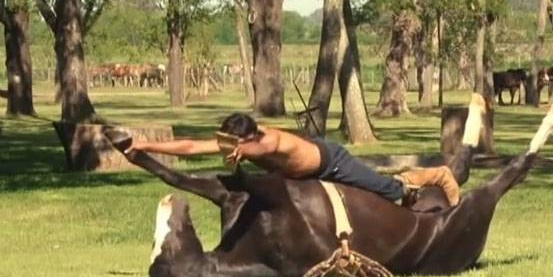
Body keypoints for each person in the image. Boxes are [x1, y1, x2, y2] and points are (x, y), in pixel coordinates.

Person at [125, 96, 488, 206]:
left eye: (237, 144)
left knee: (387, 190)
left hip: (331, 161)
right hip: (297, 173)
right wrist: (146, 144)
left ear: (249, 137)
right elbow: (191, 145)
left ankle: (433, 175)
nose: (230, 149)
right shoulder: (243, 142)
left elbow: (257, 150)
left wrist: (242, 155)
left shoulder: (269, 141)